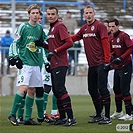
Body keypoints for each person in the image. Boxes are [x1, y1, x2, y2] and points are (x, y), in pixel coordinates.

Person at [71, 5, 111, 125]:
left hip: (101, 63)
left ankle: (107, 117)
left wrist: (107, 61)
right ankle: (99, 114)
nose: (88, 15)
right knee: (92, 89)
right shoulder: (84, 28)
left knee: (103, 89)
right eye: (86, 13)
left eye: (90, 12)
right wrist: (60, 40)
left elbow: (105, 43)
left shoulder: (100, 26)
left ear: (94, 13)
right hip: (92, 64)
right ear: (84, 15)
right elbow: (74, 38)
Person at [8, 4, 47, 126]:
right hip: (25, 63)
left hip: (36, 64)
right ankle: (12, 114)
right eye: (33, 13)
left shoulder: (40, 28)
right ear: (29, 14)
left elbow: (45, 42)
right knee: (24, 88)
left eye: (37, 13)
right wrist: (14, 57)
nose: (35, 15)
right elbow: (15, 42)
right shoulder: (23, 27)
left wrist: (43, 43)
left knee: (32, 90)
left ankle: (28, 118)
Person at [45, 6, 77, 126]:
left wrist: (55, 52)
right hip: (54, 63)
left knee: (60, 89)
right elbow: (52, 47)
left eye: (53, 14)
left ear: (57, 15)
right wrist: (43, 45)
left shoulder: (60, 26)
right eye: (49, 14)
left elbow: (69, 42)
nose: (51, 16)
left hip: (61, 63)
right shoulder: (52, 28)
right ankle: (62, 118)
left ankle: (71, 118)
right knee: (56, 91)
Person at [109, 19, 133, 120]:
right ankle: (119, 111)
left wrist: (122, 57)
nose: (111, 29)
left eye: (113, 26)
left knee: (125, 90)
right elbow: (113, 50)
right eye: (110, 27)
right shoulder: (110, 37)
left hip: (126, 65)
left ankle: (129, 114)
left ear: (118, 26)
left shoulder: (124, 36)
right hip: (117, 67)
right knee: (116, 89)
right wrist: (111, 55)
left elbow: (131, 48)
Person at [62, 11, 80, 75]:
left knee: (75, 62)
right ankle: (69, 72)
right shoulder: (64, 20)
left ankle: (74, 73)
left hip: (75, 52)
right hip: (69, 52)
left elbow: (79, 46)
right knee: (69, 62)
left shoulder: (73, 20)